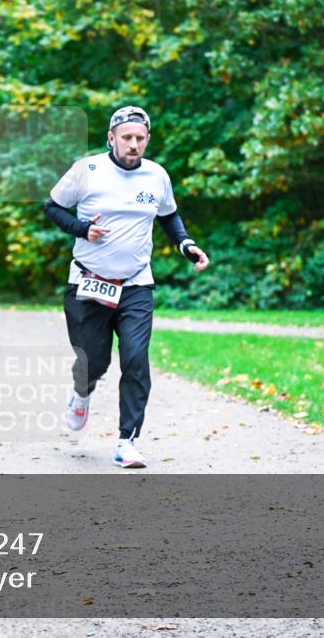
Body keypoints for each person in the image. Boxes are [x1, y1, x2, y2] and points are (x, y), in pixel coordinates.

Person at [44, 105, 210, 468]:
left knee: (135, 359)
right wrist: (82, 228)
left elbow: (168, 216)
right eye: (126, 138)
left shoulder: (157, 175)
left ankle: (127, 441)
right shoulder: (86, 170)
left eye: (140, 138)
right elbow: (52, 207)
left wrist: (187, 244)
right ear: (111, 138)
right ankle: (81, 392)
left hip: (136, 284)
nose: (133, 144)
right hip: (88, 281)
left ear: (147, 139)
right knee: (94, 360)